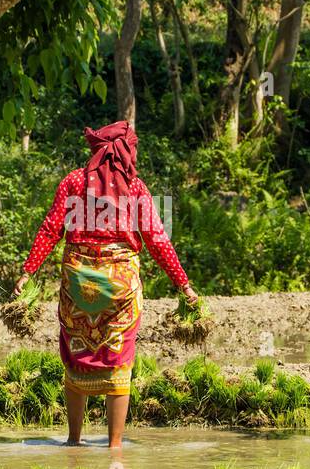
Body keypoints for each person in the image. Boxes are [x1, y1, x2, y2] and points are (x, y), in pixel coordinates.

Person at [15, 120, 197, 448]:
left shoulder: (73, 181)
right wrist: (183, 284)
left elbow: (50, 230)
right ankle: (115, 448)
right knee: (119, 359)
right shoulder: (135, 188)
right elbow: (156, 239)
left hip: (79, 287)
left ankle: (73, 442)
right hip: (119, 288)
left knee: (76, 355)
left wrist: (27, 272)